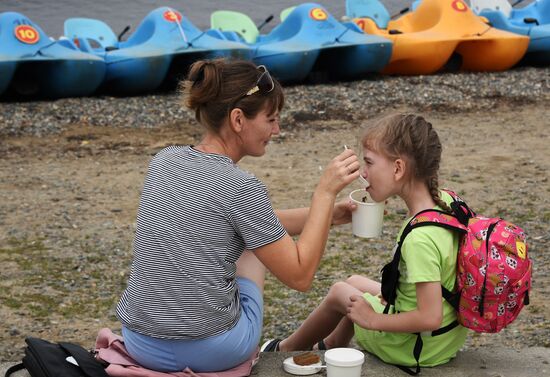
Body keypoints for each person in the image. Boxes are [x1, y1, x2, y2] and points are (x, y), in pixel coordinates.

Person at [114, 58, 360, 373]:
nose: (277, 129)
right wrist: (325, 194)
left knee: (250, 236)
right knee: (254, 247)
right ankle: (281, 348)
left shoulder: (163, 161)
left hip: (140, 341)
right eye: (271, 119)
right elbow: (300, 275)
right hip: (211, 350)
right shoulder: (241, 187)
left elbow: (242, 222)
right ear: (238, 119)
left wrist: (331, 216)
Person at [261, 113, 469, 370]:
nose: (363, 173)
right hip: (445, 338)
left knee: (340, 292)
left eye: (369, 163)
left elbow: (429, 316)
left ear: (398, 168)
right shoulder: (446, 202)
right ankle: (334, 341)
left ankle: (286, 349)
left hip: (414, 348)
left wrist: (371, 320)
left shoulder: (419, 239)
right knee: (354, 283)